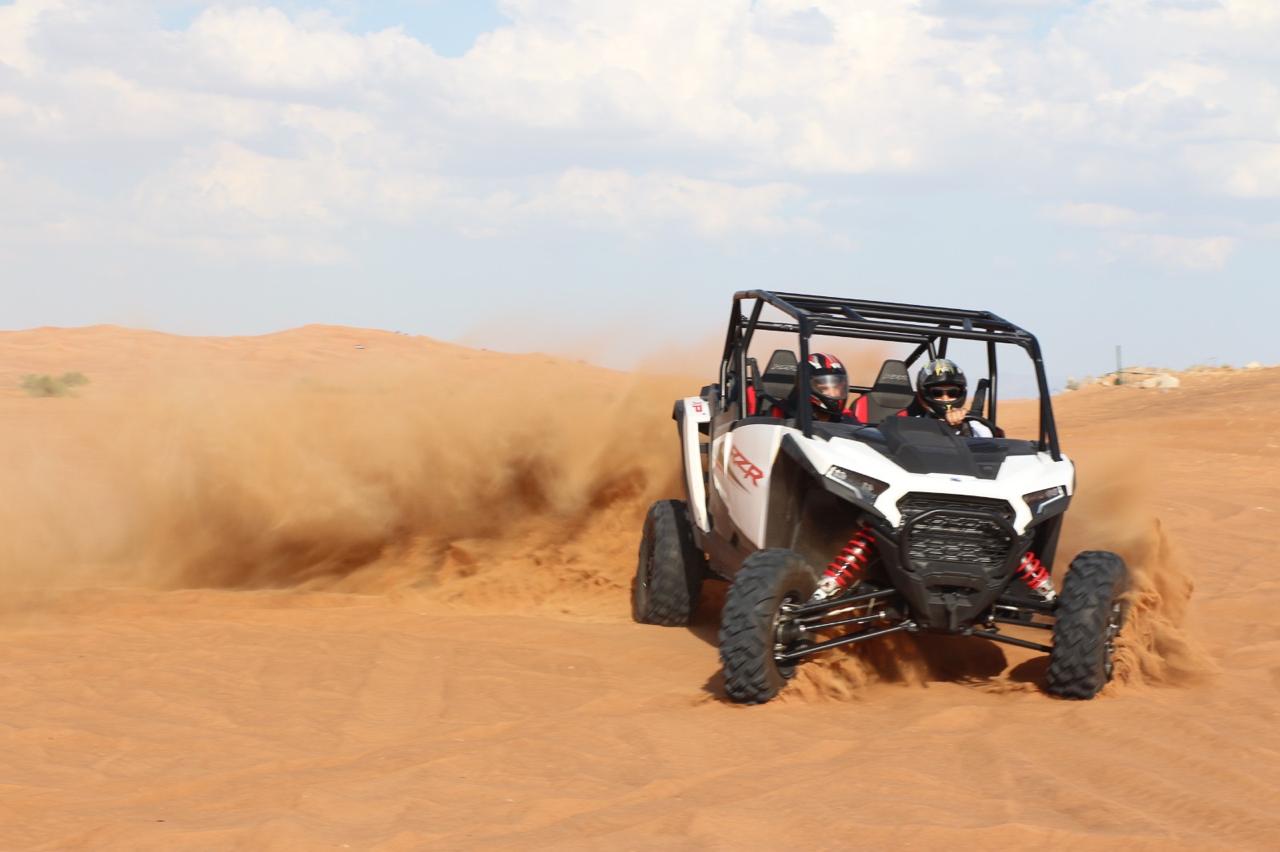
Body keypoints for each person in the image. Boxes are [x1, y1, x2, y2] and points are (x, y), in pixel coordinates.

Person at [906, 357, 993, 437]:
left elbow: (988, 443)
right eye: (937, 393)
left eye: (952, 393)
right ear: (924, 395)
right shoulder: (913, 425)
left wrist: (963, 427)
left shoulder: (976, 427)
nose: (945, 399)